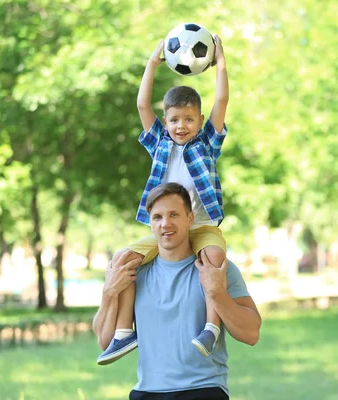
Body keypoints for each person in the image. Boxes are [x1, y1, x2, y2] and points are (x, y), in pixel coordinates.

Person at [96, 33, 230, 365]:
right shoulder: (159, 143)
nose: (180, 125)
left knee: (213, 254)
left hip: (200, 225)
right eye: (173, 120)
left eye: (188, 119)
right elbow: (142, 104)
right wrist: (152, 63)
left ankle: (211, 328)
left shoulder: (206, 144)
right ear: (165, 122)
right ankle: (125, 333)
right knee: (124, 259)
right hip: (168, 228)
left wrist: (221, 63)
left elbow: (222, 100)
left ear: (199, 121)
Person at [93, 183, 261, 399]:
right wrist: (109, 292)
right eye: (157, 217)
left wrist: (217, 293)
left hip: (203, 390)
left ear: (190, 219)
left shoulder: (216, 269)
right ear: (150, 224)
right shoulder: (134, 273)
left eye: (174, 214)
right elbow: (104, 341)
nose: (166, 224)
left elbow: (251, 334)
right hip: (146, 392)